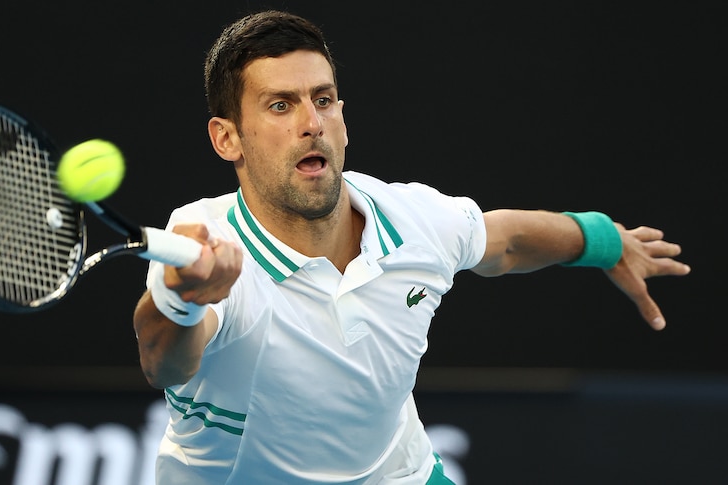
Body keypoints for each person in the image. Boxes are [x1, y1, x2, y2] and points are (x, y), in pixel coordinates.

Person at [132, 9, 690, 484]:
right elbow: (165, 365)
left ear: (342, 117)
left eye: (323, 100)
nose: (312, 123)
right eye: (280, 105)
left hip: (398, 473)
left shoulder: (413, 218)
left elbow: (508, 241)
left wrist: (602, 240)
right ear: (227, 137)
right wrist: (185, 300)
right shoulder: (202, 245)